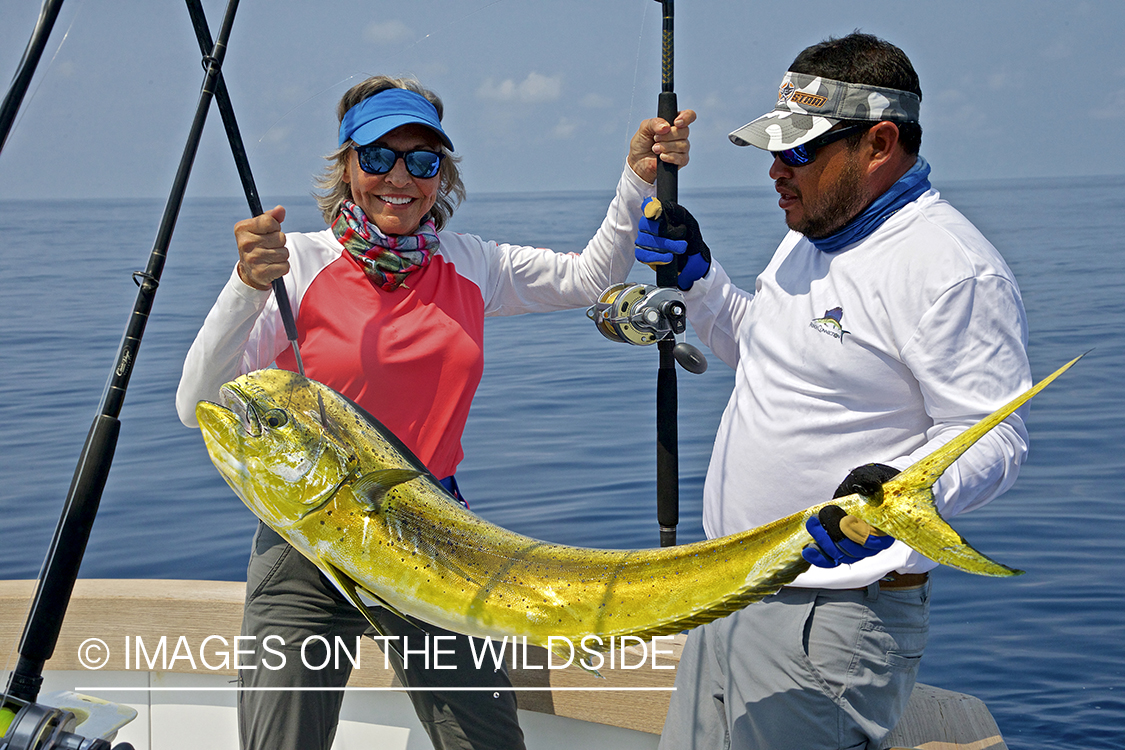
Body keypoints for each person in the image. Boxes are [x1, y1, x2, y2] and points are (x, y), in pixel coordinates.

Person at [175, 75, 694, 750]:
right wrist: (247, 288)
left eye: (422, 162)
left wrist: (636, 180)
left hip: (433, 535)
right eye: (378, 157)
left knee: (484, 741)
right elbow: (198, 406)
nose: (400, 178)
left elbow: (588, 280)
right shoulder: (292, 262)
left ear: (441, 176)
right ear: (346, 167)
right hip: (306, 542)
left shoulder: (469, 263)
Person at [635, 33, 1031, 749]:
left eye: (799, 152)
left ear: (878, 144)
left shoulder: (950, 268)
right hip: (731, 589)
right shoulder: (811, 233)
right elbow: (764, 353)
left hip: (828, 616)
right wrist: (700, 280)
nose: (776, 172)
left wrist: (894, 499)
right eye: (772, 152)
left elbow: (997, 436)